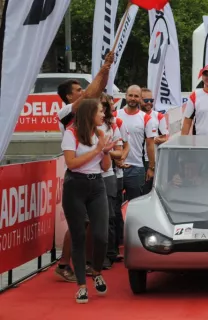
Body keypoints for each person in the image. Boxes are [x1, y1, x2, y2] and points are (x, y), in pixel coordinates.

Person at [54, 51, 114, 281]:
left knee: (89, 225)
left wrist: (107, 69)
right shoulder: (65, 114)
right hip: (75, 175)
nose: (83, 92)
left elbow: (96, 91)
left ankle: (84, 263)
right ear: (70, 98)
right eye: (78, 90)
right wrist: (103, 67)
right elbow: (92, 92)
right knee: (78, 225)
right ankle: (63, 264)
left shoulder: (88, 115)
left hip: (93, 176)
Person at [61, 99, 119, 303]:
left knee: (101, 235)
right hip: (75, 186)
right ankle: (81, 286)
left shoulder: (101, 134)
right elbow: (71, 163)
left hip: (97, 186)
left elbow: (105, 167)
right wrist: (97, 151)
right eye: (100, 112)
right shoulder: (71, 134)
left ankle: (96, 272)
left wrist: (105, 152)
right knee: (78, 237)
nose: (104, 115)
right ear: (89, 114)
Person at [98, 93, 129, 268]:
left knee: (109, 217)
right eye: (101, 105)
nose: (103, 109)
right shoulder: (85, 124)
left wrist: (104, 151)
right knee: (92, 220)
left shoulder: (112, 124)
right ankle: (93, 257)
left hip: (109, 175)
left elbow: (121, 150)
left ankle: (108, 254)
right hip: (88, 176)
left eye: (106, 105)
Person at [113, 85, 157, 200]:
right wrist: (116, 159)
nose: (133, 98)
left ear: (140, 98)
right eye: (130, 95)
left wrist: (151, 168)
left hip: (136, 167)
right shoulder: (115, 115)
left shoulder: (146, 118)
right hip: (116, 167)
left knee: (135, 202)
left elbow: (150, 145)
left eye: (136, 96)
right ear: (126, 96)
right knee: (114, 204)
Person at [140, 88, 169, 195]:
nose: (149, 103)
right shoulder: (133, 115)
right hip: (134, 160)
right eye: (146, 100)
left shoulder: (158, 116)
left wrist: (153, 139)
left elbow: (165, 138)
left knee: (149, 191)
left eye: (151, 100)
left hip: (151, 160)